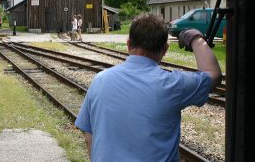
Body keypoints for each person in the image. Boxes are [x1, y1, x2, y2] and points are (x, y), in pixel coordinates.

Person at [75, 13, 222, 161]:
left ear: (128, 44)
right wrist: (195, 39)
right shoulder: (172, 84)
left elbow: (89, 137)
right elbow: (213, 75)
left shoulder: (100, 80)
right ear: (165, 50)